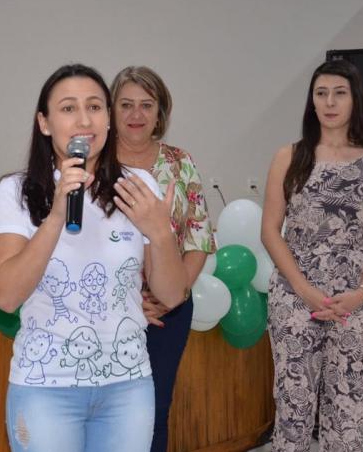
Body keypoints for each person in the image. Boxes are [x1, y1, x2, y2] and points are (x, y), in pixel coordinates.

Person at [0, 63, 189, 452]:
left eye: (95, 107)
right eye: (68, 108)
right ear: (44, 123)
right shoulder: (16, 192)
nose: (84, 119)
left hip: (128, 384)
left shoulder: (138, 186)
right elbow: (6, 296)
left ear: (109, 119)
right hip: (46, 385)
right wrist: (57, 215)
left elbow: (172, 294)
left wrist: (160, 232)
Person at [261, 59, 363, 451]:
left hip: (357, 300)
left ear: (356, 100)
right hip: (294, 296)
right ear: (312, 101)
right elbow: (271, 231)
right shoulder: (288, 157)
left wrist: (362, 293)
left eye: (339, 93)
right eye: (321, 93)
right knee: (293, 408)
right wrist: (304, 290)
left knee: (347, 411)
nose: (330, 102)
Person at [110, 65, 215, 452]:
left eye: (146, 105)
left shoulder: (179, 162)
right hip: (105, 310)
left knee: (154, 411)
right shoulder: (94, 165)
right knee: (107, 412)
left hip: (168, 312)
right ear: (111, 109)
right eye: (126, 104)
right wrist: (133, 300)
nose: (136, 115)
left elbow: (198, 239)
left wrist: (171, 293)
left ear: (160, 112)